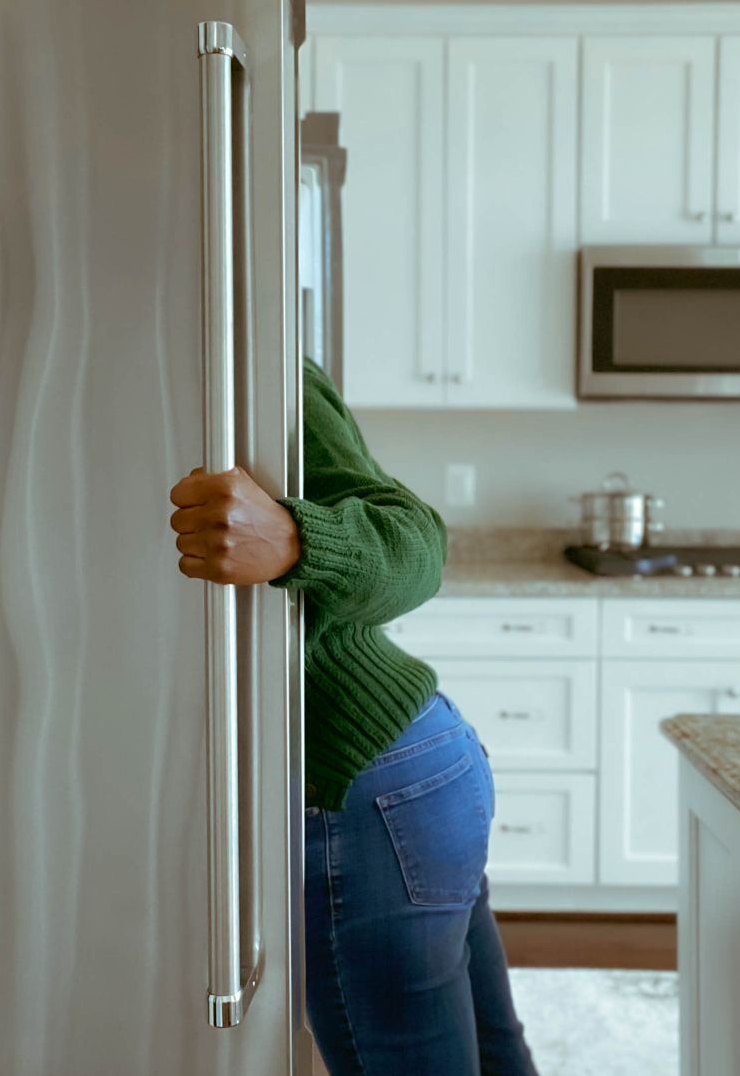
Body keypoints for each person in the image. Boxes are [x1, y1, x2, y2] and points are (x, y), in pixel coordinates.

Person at [169, 358, 538, 1076]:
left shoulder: (253, 357)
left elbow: (417, 545)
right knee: (493, 1059)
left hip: (366, 789)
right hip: (408, 778)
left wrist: (297, 539)